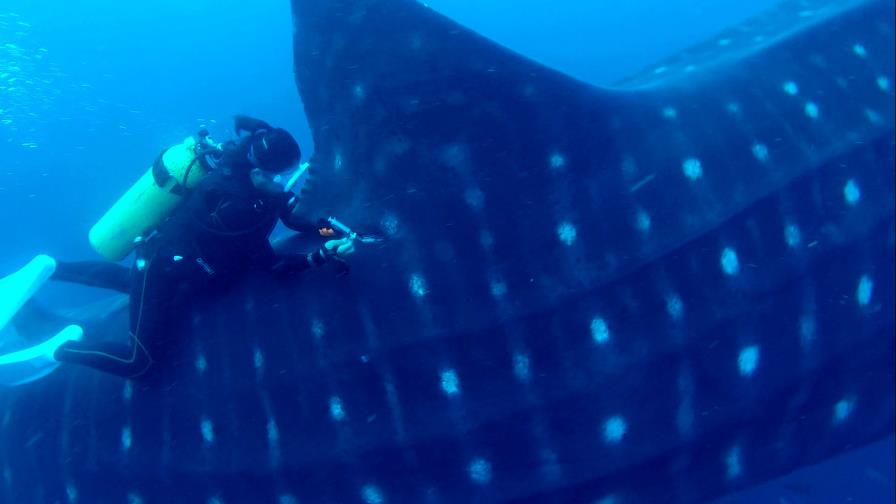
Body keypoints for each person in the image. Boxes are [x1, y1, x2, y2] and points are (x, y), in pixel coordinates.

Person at [0, 115, 355, 382]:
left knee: (130, 282)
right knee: (139, 363)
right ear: (261, 172)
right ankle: (60, 349)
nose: (285, 183)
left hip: (174, 261)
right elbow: (270, 265)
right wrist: (320, 257)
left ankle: (51, 267)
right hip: (163, 266)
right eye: (281, 176)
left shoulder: (252, 179)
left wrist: (329, 228)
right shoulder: (239, 208)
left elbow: (293, 216)